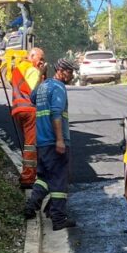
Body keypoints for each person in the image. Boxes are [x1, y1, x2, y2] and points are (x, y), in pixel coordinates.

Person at [23, 58, 80, 230]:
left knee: (44, 178)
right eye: (70, 72)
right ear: (61, 71)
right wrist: (60, 140)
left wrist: (41, 74)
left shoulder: (43, 86)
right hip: (54, 141)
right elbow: (56, 113)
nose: (72, 75)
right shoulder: (58, 88)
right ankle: (58, 219)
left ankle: (31, 206)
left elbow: (32, 98)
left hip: (41, 142)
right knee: (59, 180)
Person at [10, 47, 46, 188]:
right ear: (31, 56)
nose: (42, 62)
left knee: (27, 144)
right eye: (40, 59)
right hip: (30, 109)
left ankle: (29, 173)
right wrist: (42, 75)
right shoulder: (32, 70)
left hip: (18, 110)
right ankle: (28, 178)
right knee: (31, 146)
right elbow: (35, 92)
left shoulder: (19, 68)